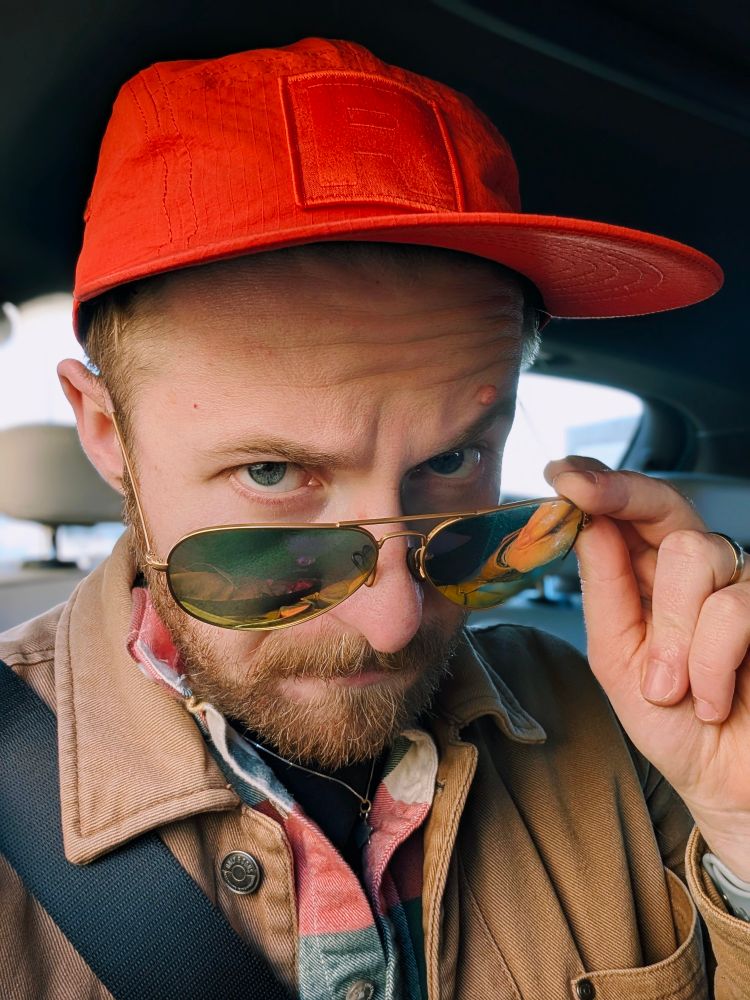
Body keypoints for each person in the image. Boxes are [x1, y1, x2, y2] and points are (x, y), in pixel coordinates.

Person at [1, 36, 748, 1000]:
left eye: (451, 461)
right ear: (107, 432)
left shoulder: (626, 723)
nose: (396, 621)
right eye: (272, 473)